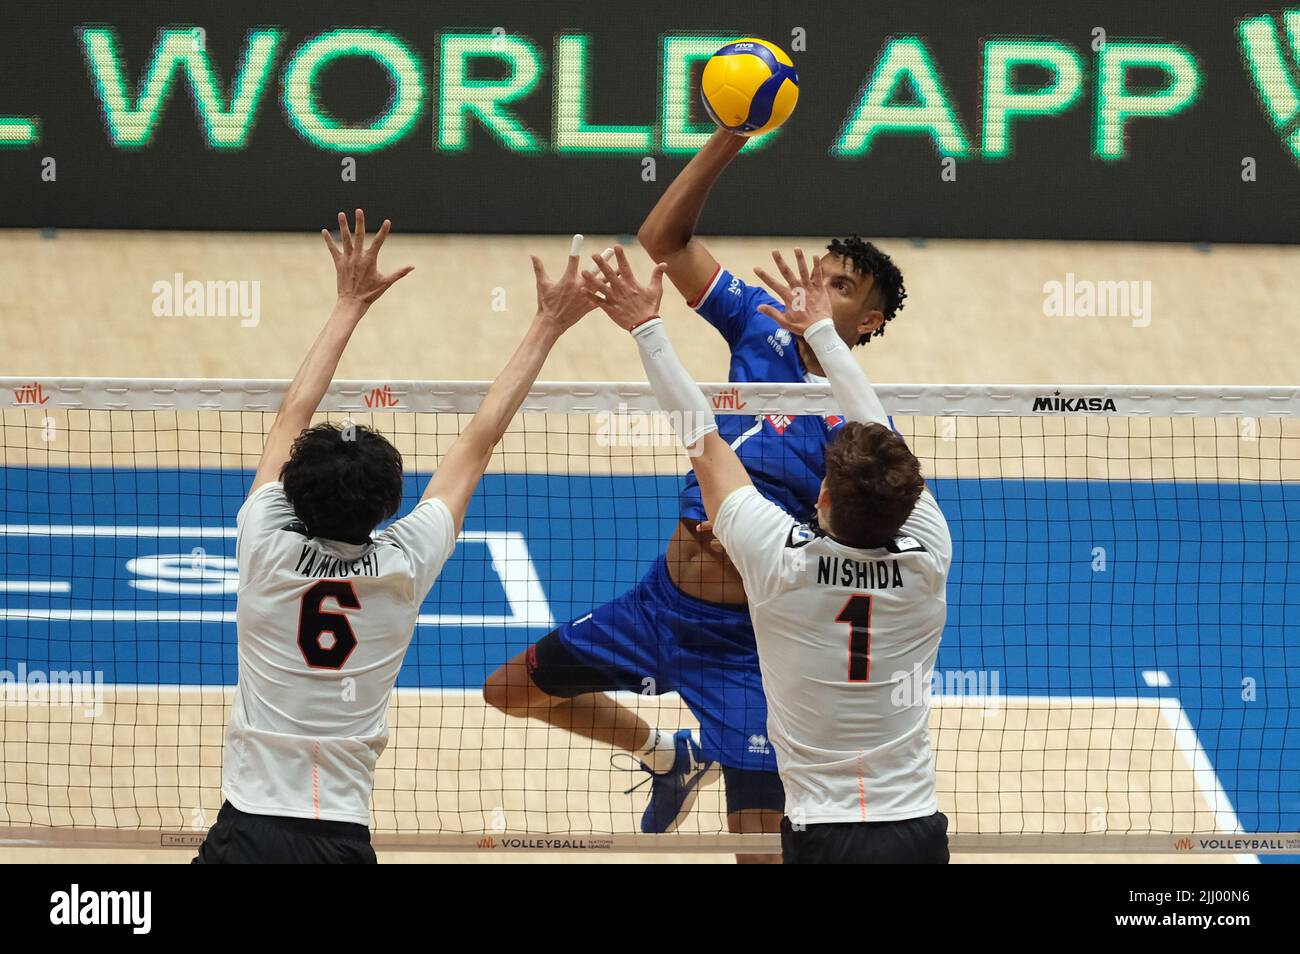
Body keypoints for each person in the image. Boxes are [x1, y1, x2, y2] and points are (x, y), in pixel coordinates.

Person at [483, 129, 907, 861]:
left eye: (841, 287)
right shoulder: (757, 327)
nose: (816, 289)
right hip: (659, 607)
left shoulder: (861, 426)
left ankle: (712, 755)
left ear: (867, 322)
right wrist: (730, 138)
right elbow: (663, 239)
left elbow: (858, 543)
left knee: (759, 856)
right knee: (508, 689)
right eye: (821, 273)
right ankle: (667, 756)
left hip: (748, 649)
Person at [195, 212, 594, 862]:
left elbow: (292, 412)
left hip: (248, 831)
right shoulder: (404, 565)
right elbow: (480, 439)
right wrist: (547, 325)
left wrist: (349, 303)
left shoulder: (262, 540)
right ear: (387, 505)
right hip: (343, 841)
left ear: (295, 492)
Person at [580, 245, 951, 864]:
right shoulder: (930, 553)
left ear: (822, 498)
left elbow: (702, 437)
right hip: (913, 825)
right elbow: (877, 431)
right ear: (909, 501)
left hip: (820, 832)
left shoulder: (782, 564)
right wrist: (828, 338)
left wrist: (648, 329)